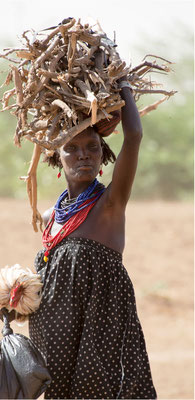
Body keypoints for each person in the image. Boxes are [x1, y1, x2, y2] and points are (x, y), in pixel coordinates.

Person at [28, 76, 157, 400]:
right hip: (53, 337)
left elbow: (135, 135)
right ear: (57, 158)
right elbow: (50, 283)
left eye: (92, 147)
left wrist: (122, 83)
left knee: (101, 391)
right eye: (71, 148)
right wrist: (16, 299)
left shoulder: (109, 205)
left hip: (100, 330)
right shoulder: (49, 218)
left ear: (104, 157)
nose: (83, 155)